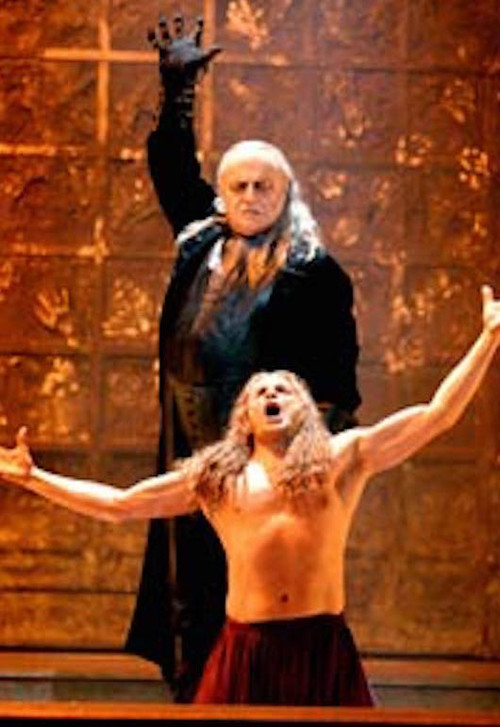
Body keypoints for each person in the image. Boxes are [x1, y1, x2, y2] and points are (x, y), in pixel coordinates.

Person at [1, 285, 498, 705]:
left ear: (305, 409)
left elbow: (437, 415)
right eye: (260, 393)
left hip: (322, 646)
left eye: (284, 390)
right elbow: (120, 504)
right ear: (245, 418)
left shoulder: (342, 458)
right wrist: (33, 478)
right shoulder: (218, 479)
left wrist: (489, 338)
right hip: (246, 648)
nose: (271, 395)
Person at [128, 13, 362, 699]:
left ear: (285, 194)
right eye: (240, 187)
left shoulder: (313, 271)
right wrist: (177, 96)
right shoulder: (202, 239)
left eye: (265, 186)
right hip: (193, 449)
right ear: (223, 196)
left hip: (267, 460)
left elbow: (337, 385)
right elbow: (173, 171)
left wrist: (312, 471)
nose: (251, 197)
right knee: (191, 602)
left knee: (259, 596)